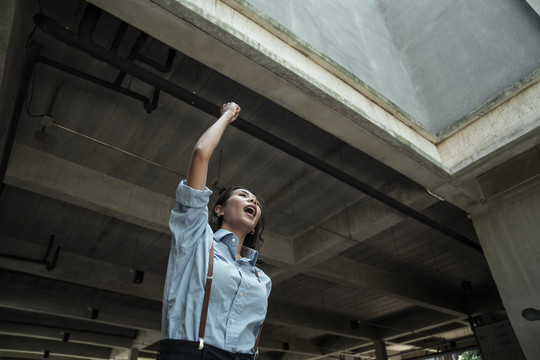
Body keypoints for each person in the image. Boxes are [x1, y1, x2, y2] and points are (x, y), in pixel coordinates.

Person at [157, 102, 272, 360]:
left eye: (255, 201)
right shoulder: (197, 239)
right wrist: (227, 116)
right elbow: (200, 154)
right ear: (219, 210)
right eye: (243, 195)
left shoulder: (262, 279)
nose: (253, 201)